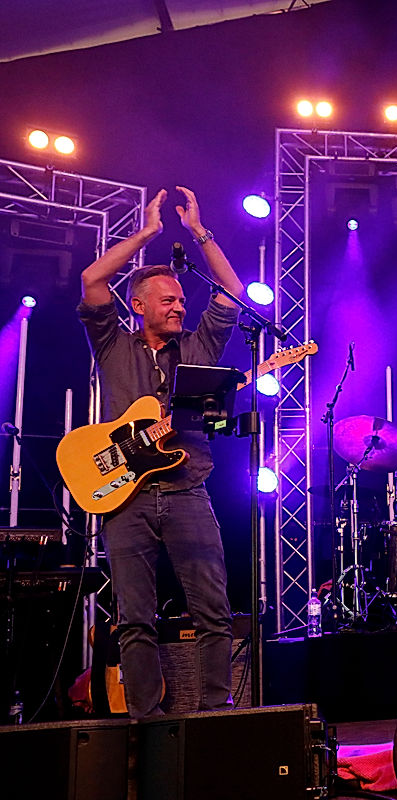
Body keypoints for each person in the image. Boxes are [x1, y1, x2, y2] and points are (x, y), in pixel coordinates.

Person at [78, 186, 244, 718]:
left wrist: (200, 233)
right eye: (168, 300)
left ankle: (215, 712)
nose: (179, 306)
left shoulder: (198, 348)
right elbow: (91, 280)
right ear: (140, 305)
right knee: (135, 619)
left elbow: (232, 290)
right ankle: (145, 724)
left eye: (180, 299)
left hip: (188, 490)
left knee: (214, 611)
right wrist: (148, 233)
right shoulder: (114, 343)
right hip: (125, 499)